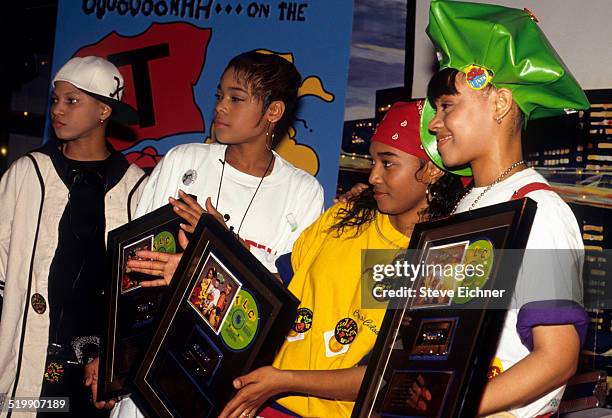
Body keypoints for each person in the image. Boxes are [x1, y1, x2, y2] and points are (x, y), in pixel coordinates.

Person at [108, 50, 324, 417]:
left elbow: (284, 301)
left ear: (273, 111)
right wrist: (112, 357)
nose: (221, 107)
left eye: (236, 99)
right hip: (149, 370)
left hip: (223, 385)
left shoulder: (303, 190)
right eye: (219, 96)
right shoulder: (184, 161)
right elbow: (130, 265)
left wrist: (220, 251)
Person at [219, 100, 465, 418]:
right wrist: (224, 255)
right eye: (373, 161)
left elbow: (387, 375)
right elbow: (283, 288)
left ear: (430, 170)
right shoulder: (346, 215)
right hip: (258, 396)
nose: (374, 175)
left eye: (388, 163)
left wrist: (282, 381)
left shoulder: (442, 262)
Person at [421, 1, 590, 416]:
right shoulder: (467, 204)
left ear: (498, 104)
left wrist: (453, 405)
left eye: (447, 106)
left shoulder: (538, 209)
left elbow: (557, 358)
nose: (434, 123)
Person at [0, 56, 147, 418]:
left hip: (91, 376)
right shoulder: (27, 173)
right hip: (29, 363)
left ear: (103, 111)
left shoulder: (136, 188)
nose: (57, 110)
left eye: (72, 100)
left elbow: (141, 296)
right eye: (54, 100)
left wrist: (118, 361)